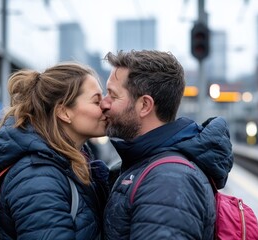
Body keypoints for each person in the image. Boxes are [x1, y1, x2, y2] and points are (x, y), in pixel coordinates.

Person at [100, 50, 234, 239]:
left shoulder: (168, 182)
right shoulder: (148, 165)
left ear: (145, 105)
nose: (104, 103)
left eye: (112, 95)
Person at [0, 62, 109, 239]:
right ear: (64, 112)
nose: (105, 105)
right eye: (97, 100)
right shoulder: (37, 177)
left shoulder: (69, 164)